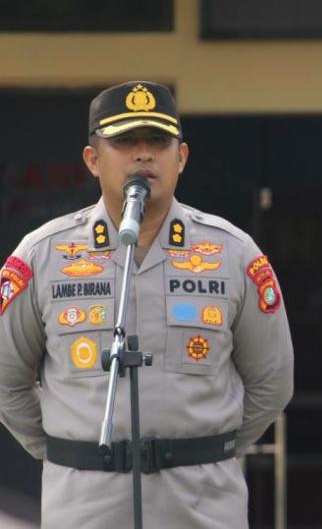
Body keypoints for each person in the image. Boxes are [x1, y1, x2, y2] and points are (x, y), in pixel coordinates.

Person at [0, 81, 294, 528]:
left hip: (200, 507)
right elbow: (5, 378)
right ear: (93, 159)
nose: (143, 155)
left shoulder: (234, 254)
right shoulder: (43, 255)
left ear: (181, 157)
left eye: (158, 141)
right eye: (123, 141)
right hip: (87, 508)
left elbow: (272, 381)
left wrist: (201, 453)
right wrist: (72, 452)